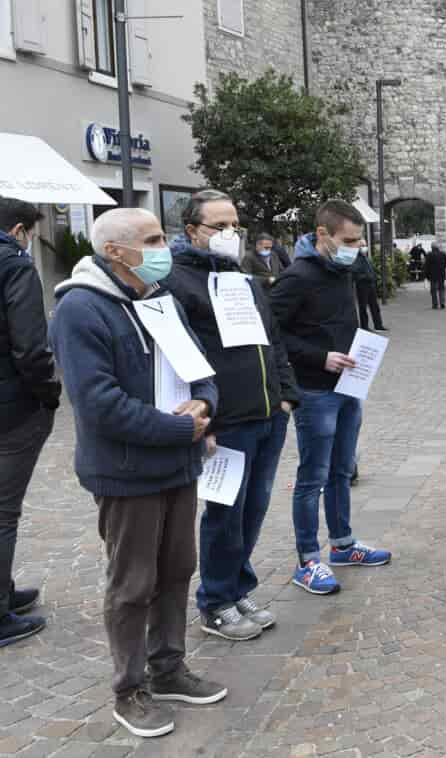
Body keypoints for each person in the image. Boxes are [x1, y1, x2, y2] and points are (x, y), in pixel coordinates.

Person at [50, 208, 226, 738]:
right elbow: (98, 404)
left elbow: (200, 368)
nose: (163, 247)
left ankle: (167, 667)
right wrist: (181, 431)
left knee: (176, 569)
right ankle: (129, 689)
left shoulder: (160, 300)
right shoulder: (81, 310)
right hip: (127, 473)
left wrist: (203, 406)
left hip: (178, 464)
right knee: (132, 584)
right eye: (151, 240)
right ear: (115, 252)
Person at [163, 190, 300, 642]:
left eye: (235, 226)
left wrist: (285, 397)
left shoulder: (241, 278)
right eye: (218, 227)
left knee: (253, 511)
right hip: (226, 424)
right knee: (225, 515)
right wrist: (205, 421)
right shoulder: (176, 282)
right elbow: (180, 360)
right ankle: (216, 601)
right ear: (192, 231)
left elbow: (272, 340)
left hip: (267, 415)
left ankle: (238, 586)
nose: (230, 235)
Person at [272, 200, 392, 596]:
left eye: (359, 241)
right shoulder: (297, 276)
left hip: (348, 387)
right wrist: (319, 357)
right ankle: (307, 560)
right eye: (349, 240)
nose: (356, 248)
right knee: (313, 477)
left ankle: (342, 545)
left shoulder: (345, 268)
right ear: (322, 234)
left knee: (342, 471)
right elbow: (274, 334)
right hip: (315, 390)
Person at [0, 199, 60, 649]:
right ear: (19, 230)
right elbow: (30, 347)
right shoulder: (14, 266)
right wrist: (48, 395)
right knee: (4, 511)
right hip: (12, 407)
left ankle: (5, 591)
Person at [353, 247, 387, 332]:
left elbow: (370, 270)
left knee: (374, 305)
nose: (365, 248)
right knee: (363, 306)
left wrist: (373, 277)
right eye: (362, 246)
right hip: (362, 284)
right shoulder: (357, 258)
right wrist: (365, 277)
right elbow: (355, 272)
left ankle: (378, 325)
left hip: (370, 283)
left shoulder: (365, 257)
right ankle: (364, 326)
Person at [424, 243, 446, 309]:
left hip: (432, 276)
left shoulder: (429, 254)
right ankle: (442, 303)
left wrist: (426, 276)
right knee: (441, 289)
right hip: (441, 275)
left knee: (433, 290)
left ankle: (435, 304)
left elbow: (426, 266)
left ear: (432, 247)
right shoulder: (443, 254)